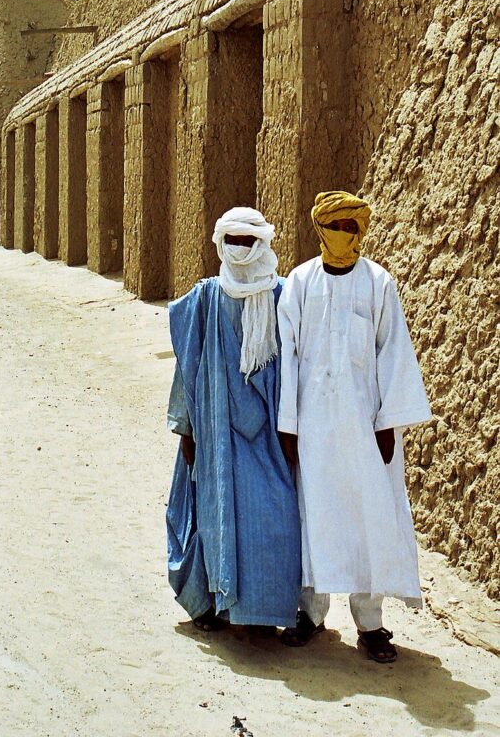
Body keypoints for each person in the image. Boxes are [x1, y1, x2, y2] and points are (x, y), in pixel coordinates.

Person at [277, 190, 431, 663]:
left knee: (368, 518)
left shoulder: (379, 283)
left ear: (360, 231)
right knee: (314, 515)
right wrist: (288, 424)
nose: (344, 235)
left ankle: (371, 624)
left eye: (352, 227)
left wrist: (387, 424)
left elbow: (394, 352)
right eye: (336, 226)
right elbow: (289, 356)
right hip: (314, 425)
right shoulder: (299, 283)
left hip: (366, 427)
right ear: (320, 229)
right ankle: (311, 612)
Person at [166, 206, 301, 634]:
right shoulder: (205, 297)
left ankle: (263, 613)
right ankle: (213, 607)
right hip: (217, 430)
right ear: (221, 244)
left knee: (273, 518)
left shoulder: (282, 295)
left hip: (269, 434)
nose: (241, 250)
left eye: (249, 242)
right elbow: (187, 365)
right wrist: (185, 427)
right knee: (215, 516)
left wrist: (294, 427)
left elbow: (299, 366)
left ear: (262, 244)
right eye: (234, 242)